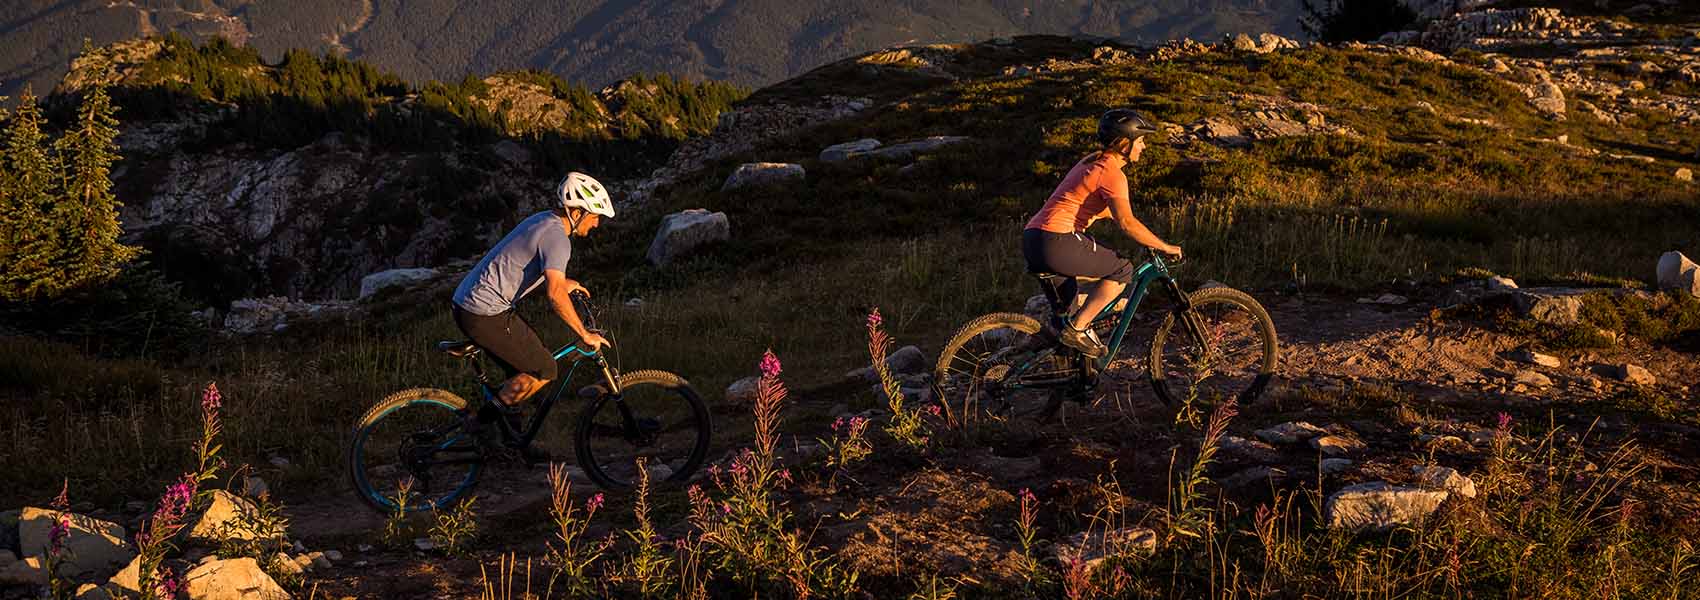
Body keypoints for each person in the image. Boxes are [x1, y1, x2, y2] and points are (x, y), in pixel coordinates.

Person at [1022, 109, 1183, 358]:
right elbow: (1126, 223)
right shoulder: (1113, 174)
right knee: (1122, 269)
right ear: (1124, 143)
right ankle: (1079, 329)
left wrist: (1140, 229)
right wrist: (1165, 246)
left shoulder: (1091, 161)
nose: (1144, 147)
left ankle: (1027, 360)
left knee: (1064, 317)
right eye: (1140, 141)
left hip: (1034, 238)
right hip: (1057, 240)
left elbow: (1098, 209)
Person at [451, 172, 615, 412]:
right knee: (544, 369)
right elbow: (554, 295)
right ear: (577, 213)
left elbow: (532, 268)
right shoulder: (558, 239)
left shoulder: (543, 220)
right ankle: (479, 427)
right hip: (483, 312)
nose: (597, 223)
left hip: (466, 303)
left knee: (520, 375)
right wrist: (585, 334)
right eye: (595, 216)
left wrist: (562, 282)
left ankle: (508, 442)